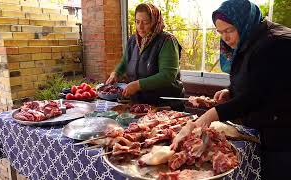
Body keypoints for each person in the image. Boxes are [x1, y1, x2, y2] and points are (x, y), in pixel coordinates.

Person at [179, 0, 291, 179]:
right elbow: (251, 77)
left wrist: (210, 116)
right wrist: (231, 91)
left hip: (283, 133)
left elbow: (256, 95)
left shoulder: (275, 43)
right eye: (220, 32)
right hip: (262, 125)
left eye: (229, 30)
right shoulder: (249, 38)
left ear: (244, 22)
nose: (225, 38)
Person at [105, 3, 184, 110]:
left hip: (165, 104)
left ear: (155, 21)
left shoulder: (167, 40)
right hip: (140, 104)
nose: (140, 27)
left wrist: (138, 85)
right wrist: (116, 73)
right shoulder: (133, 40)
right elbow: (125, 62)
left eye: (145, 22)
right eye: (137, 22)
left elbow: (167, 75)